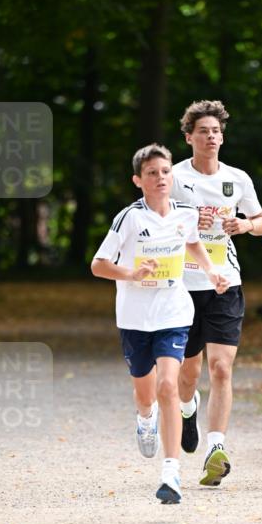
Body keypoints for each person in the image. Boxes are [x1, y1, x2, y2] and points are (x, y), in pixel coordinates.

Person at [91, 143, 229, 504]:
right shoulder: (129, 219)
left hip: (173, 312)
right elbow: (98, 265)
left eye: (165, 172)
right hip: (135, 317)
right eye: (151, 173)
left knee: (169, 385)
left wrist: (213, 273)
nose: (160, 178)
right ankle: (144, 417)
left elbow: (194, 244)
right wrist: (132, 273)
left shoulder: (185, 213)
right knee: (145, 391)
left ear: (172, 175)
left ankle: (171, 473)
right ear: (138, 180)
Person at [170, 100, 262, 487]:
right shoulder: (174, 177)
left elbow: (261, 222)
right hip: (183, 285)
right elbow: (158, 219)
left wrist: (242, 225)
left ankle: (216, 448)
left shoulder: (238, 179)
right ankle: (187, 408)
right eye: (203, 131)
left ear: (222, 137)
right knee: (188, 372)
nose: (211, 137)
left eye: (216, 131)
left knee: (221, 367)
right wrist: (192, 221)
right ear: (189, 137)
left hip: (226, 282)